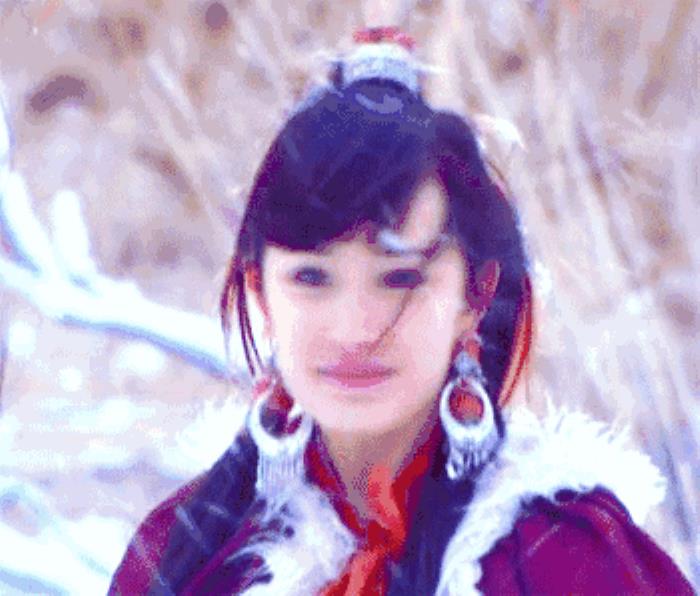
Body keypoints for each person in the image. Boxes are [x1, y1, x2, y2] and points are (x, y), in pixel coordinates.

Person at [108, 27, 693, 595]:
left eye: (401, 278)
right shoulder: (184, 560)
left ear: (475, 295)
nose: (356, 329)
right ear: (260, 291)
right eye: (312, 278)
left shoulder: (571, 563)